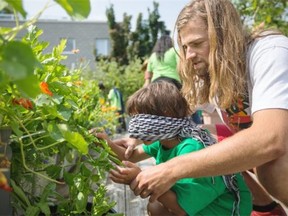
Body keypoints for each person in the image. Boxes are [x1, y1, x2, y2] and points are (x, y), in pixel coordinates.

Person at [116, 0, 288, 213]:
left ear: (225, 38)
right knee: (218, 148)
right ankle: (267, 209)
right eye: (185, 47)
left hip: (280, 152)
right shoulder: (211, 73)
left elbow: (270, 139)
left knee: (274, 168)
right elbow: (171, 113)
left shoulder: (269, 52)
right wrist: (139, 133)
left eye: (197, 44)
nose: (188, 55)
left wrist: (171, 169)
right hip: (270, 152)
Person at [94, 81, 252, 216]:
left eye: (142, 120)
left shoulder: (192, 148)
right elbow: (130, 156)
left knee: (157, 207)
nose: (135, 128)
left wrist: (137, 178)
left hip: (223, 211)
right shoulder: (166, 140)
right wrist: (106, 143)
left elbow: (180, 208)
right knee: (156, 207)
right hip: (195, 203)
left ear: (165, 115)